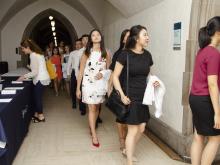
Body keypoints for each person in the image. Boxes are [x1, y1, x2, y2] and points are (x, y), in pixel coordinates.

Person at [113, 25, 159, 165]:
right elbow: (115, 76)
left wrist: (154, 81)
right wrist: (121, 95)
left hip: (144, 96)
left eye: (147, 34)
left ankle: (128, 149)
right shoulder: (124, 54)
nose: (147, 37)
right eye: (145, 35)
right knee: (133, 130)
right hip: (130, 97)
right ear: (136, 38)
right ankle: (129, 162)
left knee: (142, 128)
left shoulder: (147, 55)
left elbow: (148, 74)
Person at [189, 16, 220, 165]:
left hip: (195, 98)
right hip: (204, 99)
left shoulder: (202, 51)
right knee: (215, 138)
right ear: (218, 32)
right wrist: (217, 113)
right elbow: (212, 84)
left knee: (198, 136)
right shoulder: (213, 53)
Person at [76, 29, 111, 147]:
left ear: (101, 37)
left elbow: (109, 70)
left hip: (100, 83)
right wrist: (78, 88)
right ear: (91, 39)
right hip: (88, 83)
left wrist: (103, 74)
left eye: (98, 35)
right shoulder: (86, 53)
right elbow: (80, 71)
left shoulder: (106, 52)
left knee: (96, 107)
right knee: (91, 107)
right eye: (93, 35)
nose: (95, 37)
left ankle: (92, 125)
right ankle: (94, 135)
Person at [17, 39, 50, 122]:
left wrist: (23, 77)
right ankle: (36, 114)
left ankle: (41, 117)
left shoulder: (33, 55)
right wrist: (30, 67)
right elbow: (39, 67)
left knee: (37, 98)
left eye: (23, 48)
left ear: (28, 47)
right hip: (43, 78)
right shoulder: (37, 53)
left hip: (40, 79)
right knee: (36, 97)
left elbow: (35, 72)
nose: (22, 50)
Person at [108, 29, 130, 152]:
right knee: (121, 115)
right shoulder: (118, 54)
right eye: (127, 36)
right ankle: (122, 140)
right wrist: (109, 87)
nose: (130, 38)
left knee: (129, 118)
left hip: (131, 89)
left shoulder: (135, 53)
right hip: (119, 87)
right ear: (123, 39)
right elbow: (112, 72)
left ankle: (127, 139)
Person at [67, 37, 86, 115]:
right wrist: (68, 73)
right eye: (76, 44)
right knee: (73, 88)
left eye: (79, 44)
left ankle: (82, 108)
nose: (77, 45)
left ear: (82, 45)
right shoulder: (72, 53)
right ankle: (74, 102)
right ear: (75, 45)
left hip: (82, 73)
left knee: (82, 89)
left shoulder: (84, 52)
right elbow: (69, 64)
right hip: (74, 73)